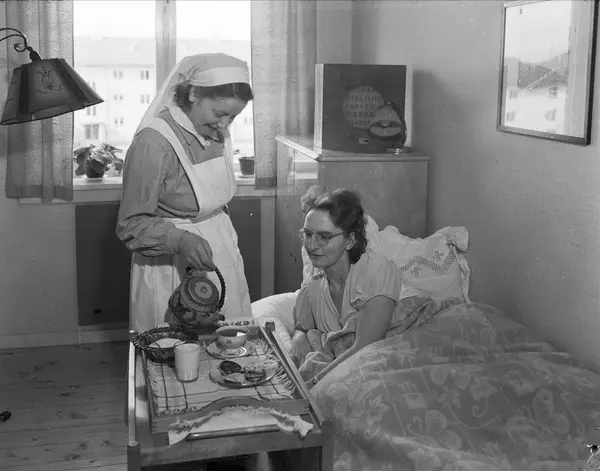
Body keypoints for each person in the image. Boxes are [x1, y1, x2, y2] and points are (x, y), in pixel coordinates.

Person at [116, 53, 253, 333]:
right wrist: (179, 239)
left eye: (233, 116)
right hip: (169, 265)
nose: (224, 124)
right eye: (219, 113)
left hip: (220, 250)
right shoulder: (154, 143)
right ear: (193, 94)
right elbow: (130, 225)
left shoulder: (216, 133)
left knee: (226, 342)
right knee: (175, 346)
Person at [290, 186, 403, 386]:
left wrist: (313, 384)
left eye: (324, 236)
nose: (312, 245)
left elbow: (366, 348)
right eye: (307, 234)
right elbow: (301, 328)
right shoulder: (311, 291)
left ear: (350, 240)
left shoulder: (376, 270)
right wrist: (298, 338)